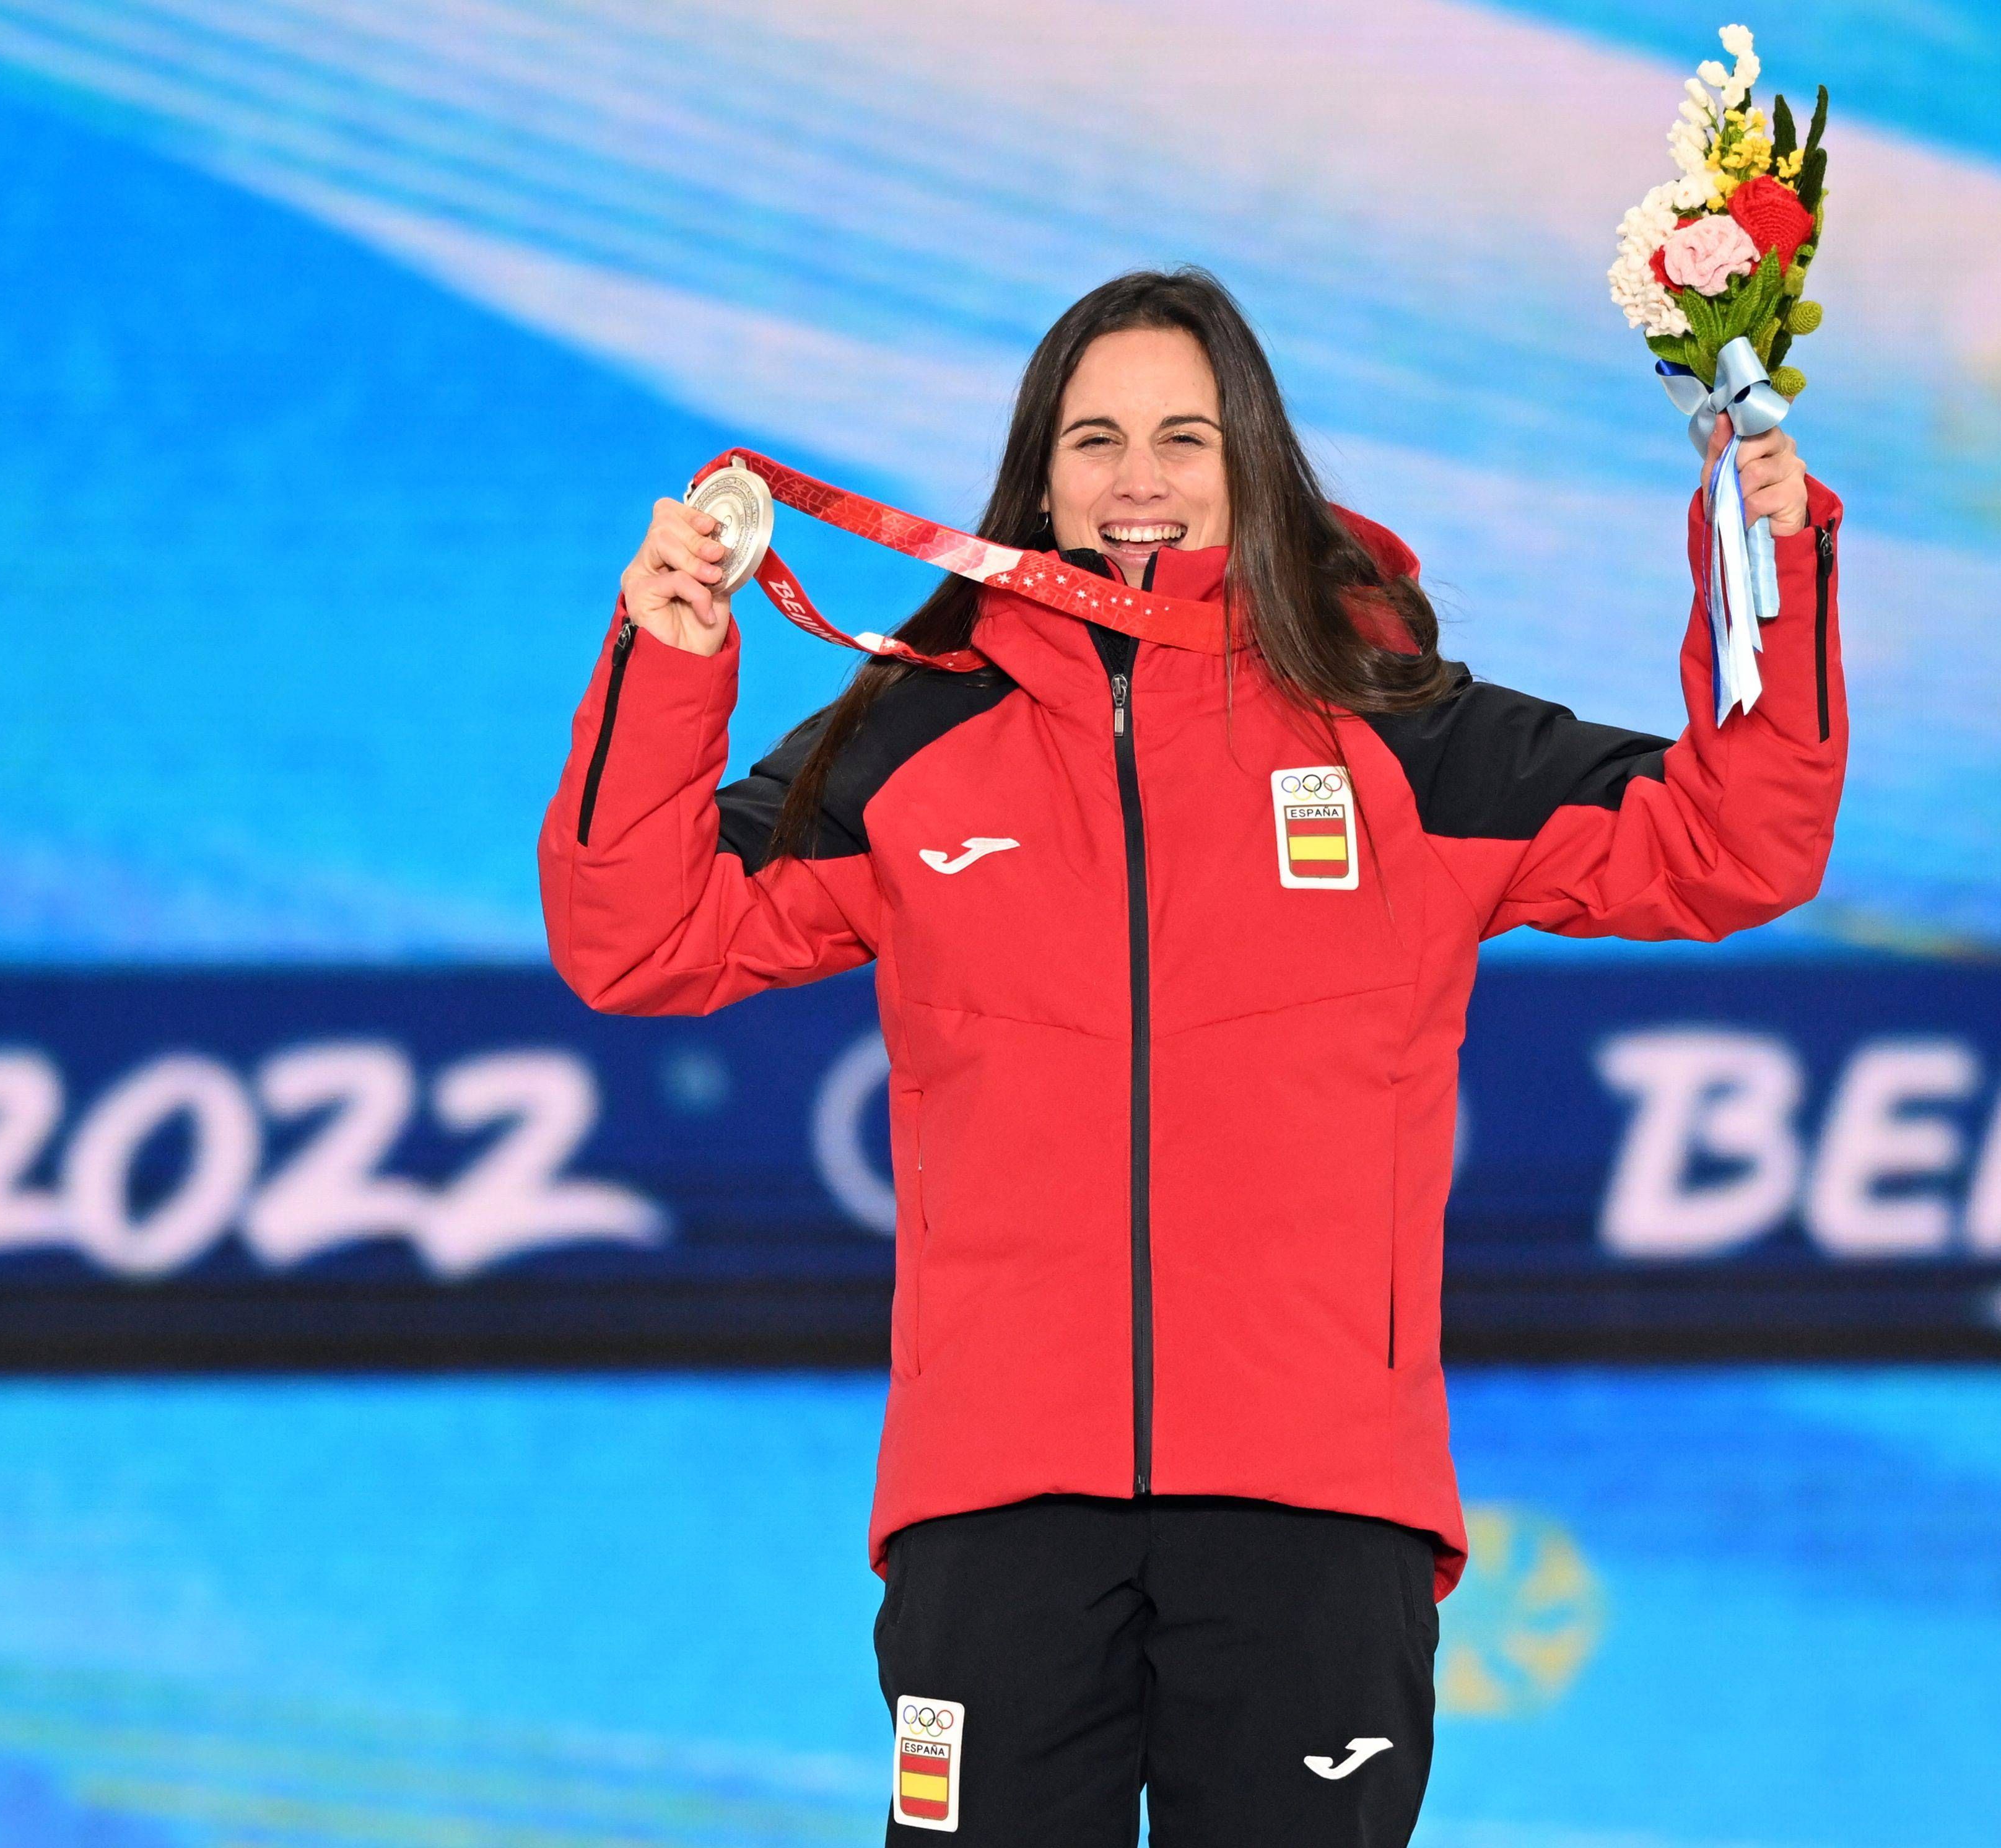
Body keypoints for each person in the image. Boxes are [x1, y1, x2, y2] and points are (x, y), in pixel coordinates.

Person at [538, 267, 1842, 1846]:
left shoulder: (1405, 736)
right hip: (999, 1501)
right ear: (1038, 478)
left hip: (1314, 1502)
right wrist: (670, 651)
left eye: (1185, 436)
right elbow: (644, 933)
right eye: (1094, 440)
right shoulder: (914, 745)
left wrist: (1762, 558)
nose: (1138, 477)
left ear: (1257, 467)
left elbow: (1731, 842)